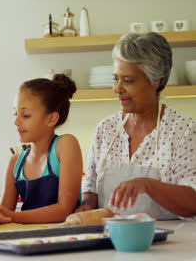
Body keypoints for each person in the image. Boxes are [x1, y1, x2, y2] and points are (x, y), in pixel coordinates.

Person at [76, 32, 196, 219]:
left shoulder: (183, 131)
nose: (117, 88)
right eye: (116, 78)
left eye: (128, 80)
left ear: (156, 81)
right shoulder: (105, 129)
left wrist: (148, 185)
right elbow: (90, 186)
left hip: (171, 244)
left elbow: (193, 201)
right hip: (110, 240)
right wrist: (87, 206)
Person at [0, 75, 83, 225]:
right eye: (15, 113)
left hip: (65, 238)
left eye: (26, 115)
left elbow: (64, 210)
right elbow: (3, 213)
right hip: (31, 239)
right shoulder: (15, 162)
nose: (16, 121)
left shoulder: (66, 145)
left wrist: (11, 217)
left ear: (51, 119)